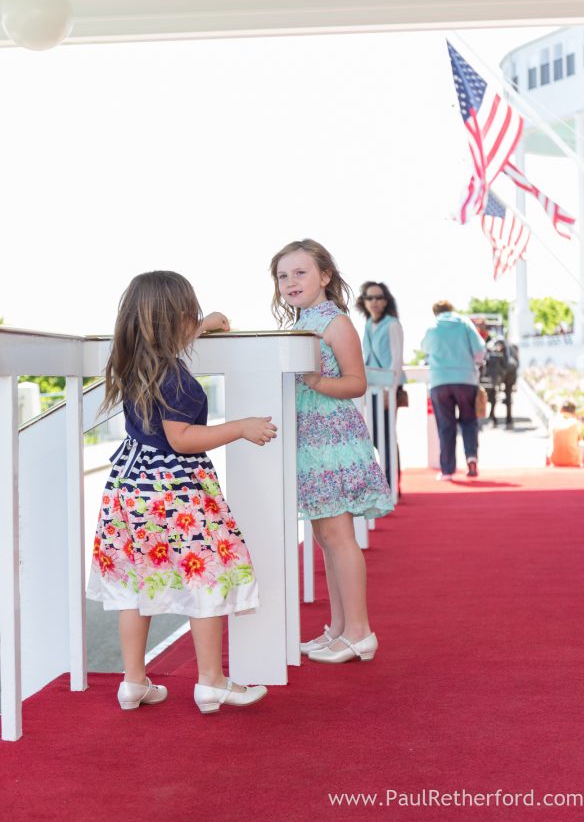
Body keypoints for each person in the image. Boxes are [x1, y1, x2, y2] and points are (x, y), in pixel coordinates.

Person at [87, 271, 277, 714]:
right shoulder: (171, 375)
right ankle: (211, 681)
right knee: (205, 575)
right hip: (172, 490)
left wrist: (206, 323)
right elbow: (181, 438)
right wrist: (241, 428)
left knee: (135, 583)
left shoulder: (136, 358)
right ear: (174, 319)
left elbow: (170, 339)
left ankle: (133, 681)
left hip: (129, 489)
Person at [270, 239, 393, 664]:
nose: (290, 282)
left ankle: (360, 631)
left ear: (324, 276)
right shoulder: (301, 323)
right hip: (309, 442)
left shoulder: (335, 322)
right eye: (283, 276)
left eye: (300, 272)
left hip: (333, 441)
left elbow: (357, 382)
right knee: (324, 536)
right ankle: (340, 628)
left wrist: (317, 382)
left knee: (339, 537)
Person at [421, 300, 486, 480]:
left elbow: (425, 348)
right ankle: (471, 459)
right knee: (469, 421)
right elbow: (480, 349)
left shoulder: (432, 326)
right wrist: (474, 363)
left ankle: (447, 470)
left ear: (435, 312)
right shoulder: (465, 323)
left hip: (440, 381)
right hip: (466, 380)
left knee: (445, 425)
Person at [356, 281, 404, 494]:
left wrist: (390, 391)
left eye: (378, 298)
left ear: (386, 301)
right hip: (372, 388)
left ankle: (393, 483)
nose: (374, 302)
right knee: (375, 435)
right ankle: (387, 480)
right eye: (369, 298)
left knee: (386, 435)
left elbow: (396, 360)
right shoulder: (367, 325)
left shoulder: (392, 324)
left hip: (388, 389)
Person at [546, 401, 584, 467]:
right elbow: (580, 439)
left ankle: (547, 464)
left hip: (555, 461)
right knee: (582, 443)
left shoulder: (553, 421)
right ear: (574, 411)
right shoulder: (575, 422)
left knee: (549, 441)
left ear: (561, 410)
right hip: (574, 461)